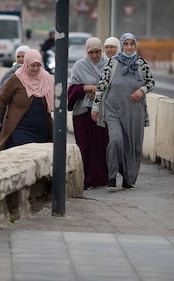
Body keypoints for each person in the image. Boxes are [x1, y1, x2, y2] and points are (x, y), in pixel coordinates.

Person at [91, 33, 155, 190]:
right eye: (125, 44)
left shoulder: (141, 63)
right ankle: (112, 176)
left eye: (131, 44)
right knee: (116, 140)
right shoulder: (113, 63)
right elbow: (101, 86)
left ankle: (128, 178)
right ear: (122, 45)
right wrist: (95, 107)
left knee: (133, 146)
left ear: (135, 45)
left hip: (134, 112)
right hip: (113, 110)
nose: (128, 47)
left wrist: (141, 90)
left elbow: (151, 82)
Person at [0, 49, 54, 153]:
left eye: (38, 65)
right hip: (20, 128)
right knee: (24, 154)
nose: (35, 69)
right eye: (32, 65)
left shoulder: (46, 79)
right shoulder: (16, 78)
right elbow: (2, 99)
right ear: (26, 64)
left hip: (41, 129)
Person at [68, 37, 109, 190]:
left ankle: (101, 178)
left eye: (97, 52)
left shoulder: (108, 65)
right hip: (83, 113)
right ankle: (85, 179)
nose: (94, 56)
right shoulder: (79, 66)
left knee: (101, 145)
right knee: (84, 146)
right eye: (91, 52)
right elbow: (72, 89)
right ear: (87, 52)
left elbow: (112, 86)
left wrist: (98, 92)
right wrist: (86, 88)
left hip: (103, 112)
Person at [0, 45, 30, 124]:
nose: (21, 59)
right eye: (18, 57)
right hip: (11, 117)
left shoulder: (36, 74)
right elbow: (0, 95)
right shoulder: (11, 74)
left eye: (23, 56)